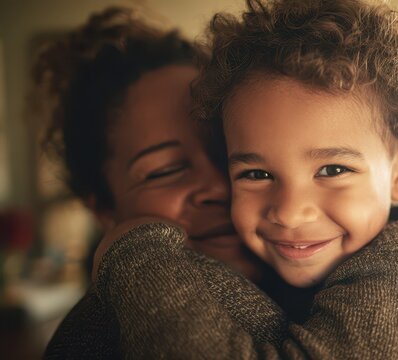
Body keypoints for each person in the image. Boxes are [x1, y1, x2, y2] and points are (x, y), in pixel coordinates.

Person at [90, 0, 398, 358]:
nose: (288, 210)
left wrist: (135, 253)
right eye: (256, 173)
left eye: (332, 169)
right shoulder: (334, 264)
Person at [35, 7, 267, 358]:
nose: (219, 186)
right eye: (163, 171)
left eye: (227, 150)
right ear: (103, 209)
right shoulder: (91, 339)